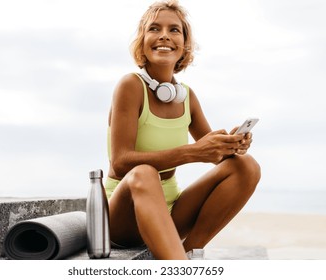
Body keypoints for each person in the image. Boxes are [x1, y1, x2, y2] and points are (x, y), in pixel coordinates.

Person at [105, 0, 261, 260]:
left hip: (170, 211)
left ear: (184, 46)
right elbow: (121, 163)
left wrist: (231, 146)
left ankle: (190, 253)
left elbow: (216, 156)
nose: (164, 35)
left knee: (246, 165)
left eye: (174, 30)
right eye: (154, 29)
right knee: (143, 173)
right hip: (123, 217)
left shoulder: (187, 96)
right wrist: (193, 152)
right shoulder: (130, 86)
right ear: (142, 41)